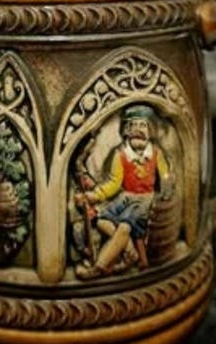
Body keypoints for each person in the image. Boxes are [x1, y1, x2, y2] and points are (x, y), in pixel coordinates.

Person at [74, 104, 174, 280]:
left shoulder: (156, 153)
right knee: (102, 221)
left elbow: (164, 175)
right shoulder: (120, 154)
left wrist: (167, 184)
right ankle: (130, 253)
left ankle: (99, 266)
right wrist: (95, 195)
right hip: (125, 196)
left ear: (150, 130)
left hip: (144, 198)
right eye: (133, 125)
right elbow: (114, 183)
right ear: (126, 130)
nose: (138, 130)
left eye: (142, 125)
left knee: (124, 227)